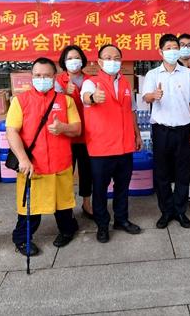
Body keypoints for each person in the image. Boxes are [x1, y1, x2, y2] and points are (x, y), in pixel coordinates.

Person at [6, 57, 80, 256]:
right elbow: (11, 131)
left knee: (63, 205)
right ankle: (21, 239)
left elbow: (77, 129)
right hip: (32, 165)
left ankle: (67, 230)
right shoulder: (20, 101)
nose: (42, 79)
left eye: (47, 75)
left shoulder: (66, 101)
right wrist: (23, 159)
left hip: (60, 163)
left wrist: (63, 127)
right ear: (32, 77)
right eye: (38, 75)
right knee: (31, 209)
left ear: (54, 77)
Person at [81, 44, 143, 243]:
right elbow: (86, 98)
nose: (112, 61)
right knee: (100, 189)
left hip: (125, 145)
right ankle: (102, 224)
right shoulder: (91, 83)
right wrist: (93, 97)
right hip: (101, 147)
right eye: (107, 57)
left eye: (116, 58)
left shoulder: (125, 83)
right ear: (99, 62)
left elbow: (132, 110)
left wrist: (137, 134)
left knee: (122, 187)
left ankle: (121, 219)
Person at [142, 34, 190, 229]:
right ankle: (166, 211)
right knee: (162, 173)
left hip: (184, 130)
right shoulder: (153, 75)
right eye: (168, 48)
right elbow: (146, 97)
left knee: (183, 173)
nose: (172, 51)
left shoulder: (188, 74)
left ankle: (180, 211)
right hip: (161, 131)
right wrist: (154, 95)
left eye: (175, 47)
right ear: (160, 51)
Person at [56, 45, 93, 219]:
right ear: (64, 61)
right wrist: (64, 93)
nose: (73, 61)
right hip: (66, 135)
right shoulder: (58, 81)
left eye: (76, 57)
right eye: (69, 58)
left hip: (87, 135)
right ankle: (66, 208)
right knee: (66, 174)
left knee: (87, 171)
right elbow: (52, 105)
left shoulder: (90, 80)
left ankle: (87, 203)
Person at [177, 33, 190, 203]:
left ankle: (188, 183)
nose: (185, 48)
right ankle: (173, 185)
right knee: (173, 157)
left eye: (188, 45)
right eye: (181, 45)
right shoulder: (170, 67)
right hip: (175, 121)